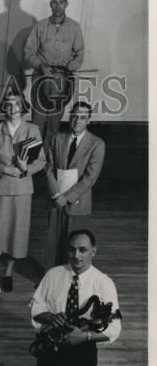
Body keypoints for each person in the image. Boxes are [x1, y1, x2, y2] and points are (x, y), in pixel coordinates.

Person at [29, 230, 121, 366]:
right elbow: (36, 307)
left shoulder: (104, 283)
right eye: (72, 250)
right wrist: (51, 317)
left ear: (93, 251)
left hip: (83, 352)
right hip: (51, 349)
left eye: (82, 250)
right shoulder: (53, 275)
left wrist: (85, 336)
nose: (76, 255)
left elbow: (114, 329)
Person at [0, 91, 46, 291]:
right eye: (8, 104)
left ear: (23, 106)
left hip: (22, 190)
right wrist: (4, 169)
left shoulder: (33, 129)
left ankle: (8, 273)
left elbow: (41, 161)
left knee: (15, 236)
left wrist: (26, 169)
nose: (13, 108)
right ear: (4, 107)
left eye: (17, 104)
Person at [45, 101, 105, 268]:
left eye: (82, 117)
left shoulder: (97, 144)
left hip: (78, 201)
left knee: (76, 243)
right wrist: (57, 194)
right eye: (74, 116)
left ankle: (73, 276)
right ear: (69, 117)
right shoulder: (57, 138)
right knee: (54, 242)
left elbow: (90, 177)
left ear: (88, 120)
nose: (77, 121)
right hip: (56, 199)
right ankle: (51, 277)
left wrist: (68, 197)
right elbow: (48, 167)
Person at [23, 0, 85, 152]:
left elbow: (79, 55)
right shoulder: (40, 26)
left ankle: (48, 157)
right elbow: (28, 51)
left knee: (54, 122)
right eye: (55, 2)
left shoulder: (74, 28)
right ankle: (34, 157)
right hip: (41, 80)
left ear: (66, 4)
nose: (58, 6)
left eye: (61, 2)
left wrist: (66, 70)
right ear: (50, 4)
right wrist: (41, 66)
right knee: (38, 120)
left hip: (62, 83)